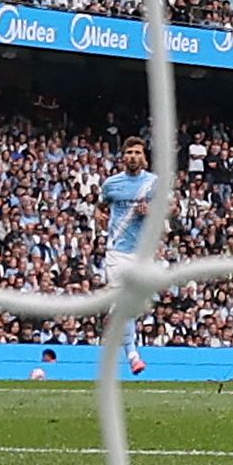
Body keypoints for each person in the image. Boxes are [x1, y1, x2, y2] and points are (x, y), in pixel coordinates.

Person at [90, 146, 163, 380]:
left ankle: (114, 318)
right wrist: (99, 216)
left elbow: (171, 209)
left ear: (144, 158)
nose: (132, 156)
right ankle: (133, 356)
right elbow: (100, 206)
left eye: (137, 153)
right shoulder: (111, 184)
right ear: (123, 157)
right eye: (129, 152)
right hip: (117, 252)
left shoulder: (153, 183)